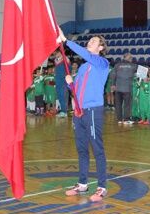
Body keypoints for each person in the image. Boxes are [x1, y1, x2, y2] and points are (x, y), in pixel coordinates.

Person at [59, 28, 111, 202]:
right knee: (82, 149)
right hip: (79, 112)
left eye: (94, 41)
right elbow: (76, 90)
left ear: (101, 47)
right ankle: (82, 184)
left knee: (97, 149)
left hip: (93, 110)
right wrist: (70, 84)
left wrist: (66, 41)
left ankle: (102, 187)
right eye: (89, 40)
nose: (90, 42)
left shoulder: (102, 63)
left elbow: (87, 55)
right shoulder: (83, 67)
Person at [110, 53, 137, 125]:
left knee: (118, 104)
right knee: (127, 105)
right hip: (127, 89)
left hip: (118, 88)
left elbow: (113, 75)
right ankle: (126, 119)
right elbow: (143, 72)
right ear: (129, 58)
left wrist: (113, 84)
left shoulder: (117, 65)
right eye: (131, 58)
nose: (132, 59)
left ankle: (119, 119)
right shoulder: (133, 66)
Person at [54, 52, 69, 117]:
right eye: (55, 54)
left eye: (57, 53)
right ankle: (63, 111)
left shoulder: (65, 59)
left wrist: (65, 76)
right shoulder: (56, 61)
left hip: (63, 82)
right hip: (58, 82)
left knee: (63, 97)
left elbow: (69, 69)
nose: (56, 54)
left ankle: (64, 111)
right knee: (60, 97)